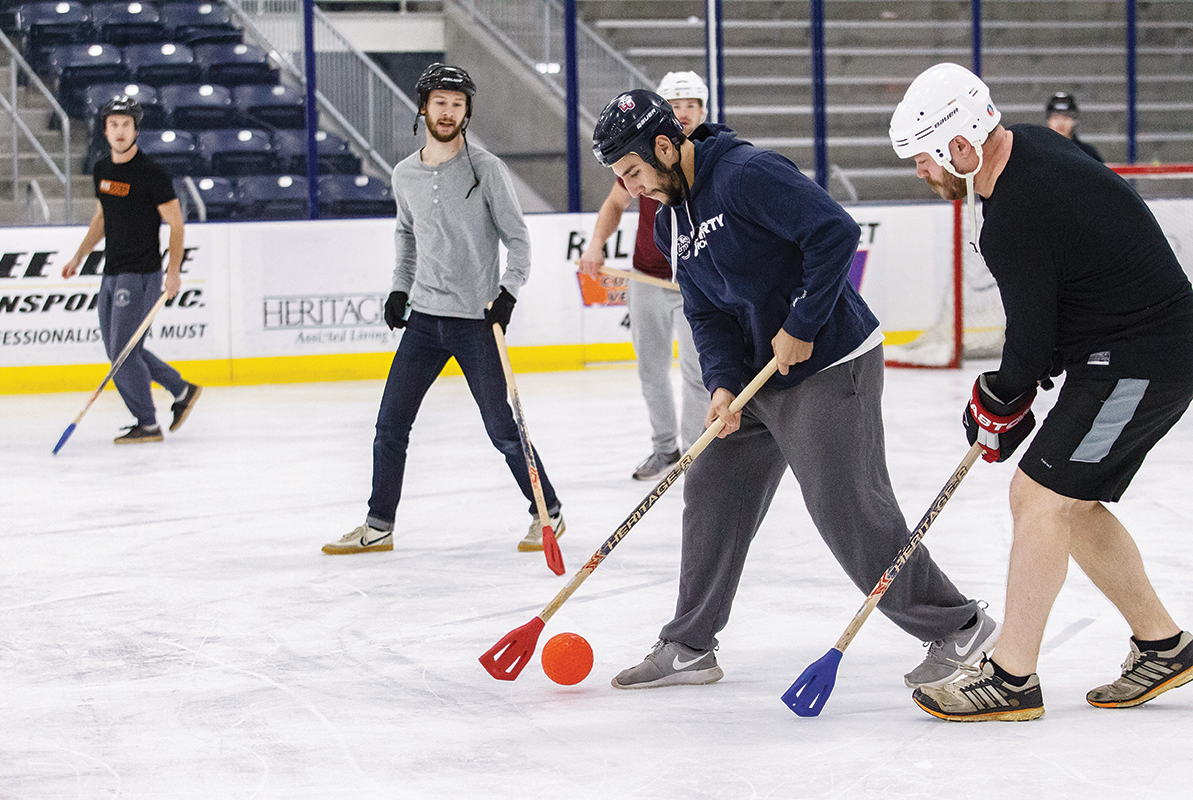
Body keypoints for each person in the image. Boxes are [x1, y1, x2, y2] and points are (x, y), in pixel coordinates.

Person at [591, 89, 999, 691]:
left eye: (633, 172)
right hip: (759, 378)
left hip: (830, 363)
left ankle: (961, 627)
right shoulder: (670, 211)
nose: (631, 189)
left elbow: (834, 232)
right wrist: (724, 386)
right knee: (712, 494)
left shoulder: (746, 174)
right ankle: (689, 645)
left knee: (846, 508)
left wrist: (801, 324)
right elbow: (705, 311)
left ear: (664, 146)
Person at [890, 63, 1193, 721]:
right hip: (1124, 353)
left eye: (923, 158)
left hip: (1142, 360)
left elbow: (1028, 343)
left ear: (959, 146)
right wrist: (1006, 395)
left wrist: (999, 397)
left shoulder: (1015, 212)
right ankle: (1164, 645)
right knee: (1065, 502)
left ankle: (1011, 677)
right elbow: (1056, 312)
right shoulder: (1028, 152)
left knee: (1042, 499)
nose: (921, 171)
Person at [322, 63, 564, 556]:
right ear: (423, 107)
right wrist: (398, 289)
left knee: (502, 429)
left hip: (476, 322)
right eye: (440, 102)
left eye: (457, 104)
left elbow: (518, 241)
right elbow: (406, 236)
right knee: (390, 425)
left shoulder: (487, 169)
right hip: (425, 321)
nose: (448, 111)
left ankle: (548, 512)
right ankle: (379, 523)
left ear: (466, 112)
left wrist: (509, 292)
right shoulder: (404, 173)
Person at [578, 72, 711, 480]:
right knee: (650, 369)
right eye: (676, 104)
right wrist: (596, 244)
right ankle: (665, 448)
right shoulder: (639, 160)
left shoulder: (704, 157)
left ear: (704, 111)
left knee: (696, 372)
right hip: (646, 279)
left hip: (693, 283)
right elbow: (615, 204)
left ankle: (693, 454)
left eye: (692, 104)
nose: (684, 111)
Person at [60, 97, 201, 444]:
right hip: (112, 272)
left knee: (123, 354)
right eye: (113, 125)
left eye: (126, 125)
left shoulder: (150, 173)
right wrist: (79, 255)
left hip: (141, 275)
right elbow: (103, 217)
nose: (120, 131)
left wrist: (173, 272)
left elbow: (176, 223)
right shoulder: (102, 170)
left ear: (136, 130)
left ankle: (148, 423)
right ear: (104, 130)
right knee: (121, 352)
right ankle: (181, 388)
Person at [1045, 92, 1103, 162]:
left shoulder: (1087, 152)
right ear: (1048, 120)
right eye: (1055, 117)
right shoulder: (1039, 151)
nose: (1060, 122)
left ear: (1074, 121)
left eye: (1066, 117)